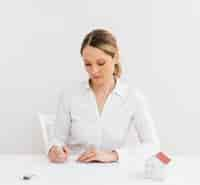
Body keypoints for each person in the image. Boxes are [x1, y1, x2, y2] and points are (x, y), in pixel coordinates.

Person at [48, 28, 160, 163]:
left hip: (114, 174)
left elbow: (153, 146)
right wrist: (54, 150)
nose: (94, 71)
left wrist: (113, 155)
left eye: (101, 63)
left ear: (116, 58)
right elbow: (57, 140)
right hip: (75, 171)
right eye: (87, 64)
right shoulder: (70, 95)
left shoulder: (133, 97)